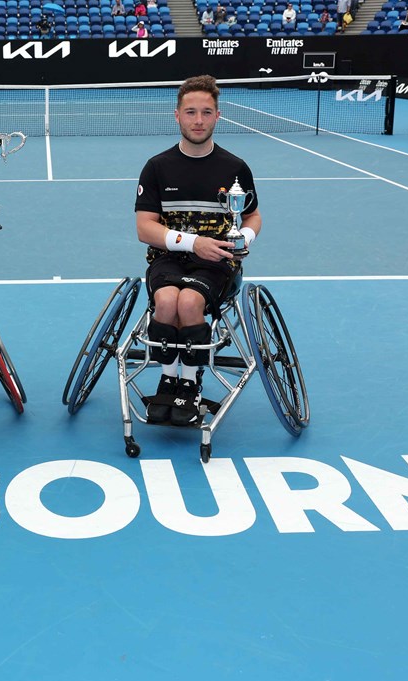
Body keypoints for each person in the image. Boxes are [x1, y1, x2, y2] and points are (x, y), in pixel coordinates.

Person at [134, 75, 262, 427]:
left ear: (218, 116)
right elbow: (145, 227)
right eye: (190, 112)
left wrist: (243, 241)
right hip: (169, 258)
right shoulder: (157, 166)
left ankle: (188, 383)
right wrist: (193, 243)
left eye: (206, 112)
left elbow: (251, 215)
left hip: (218, 263)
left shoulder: (235, 168)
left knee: (189, 303)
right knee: (166, 302)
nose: (198, 120)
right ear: (177, 115)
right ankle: (168, 378)